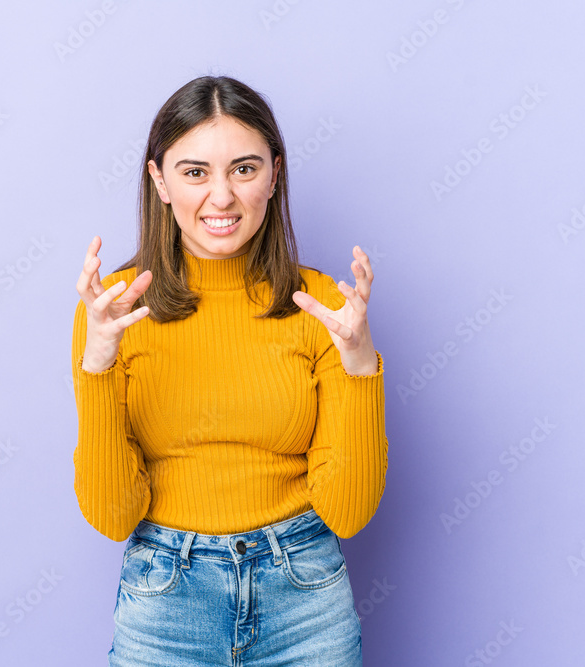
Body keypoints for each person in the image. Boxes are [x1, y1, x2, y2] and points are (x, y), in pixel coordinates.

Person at [71, 75, 388, 666]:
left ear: (274, 175)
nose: (221, 197)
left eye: (244, 169)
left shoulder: (322, 307)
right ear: (159, 181)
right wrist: (99, 364)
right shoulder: (115, 309)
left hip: (305, 600)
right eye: (195, 172)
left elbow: (349, 512)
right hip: (166, 604)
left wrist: (361, 365)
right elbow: (112, 517)